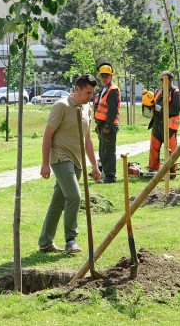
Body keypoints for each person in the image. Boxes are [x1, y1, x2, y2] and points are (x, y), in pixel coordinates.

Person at [38, 74, 102, 254]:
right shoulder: (62, 106)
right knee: (74, 196)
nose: (90, 96)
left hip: (77, 161)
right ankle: (71, 240)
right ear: (77, 89)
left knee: (58, 202)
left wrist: (94, 165)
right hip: (60, 158)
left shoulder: (86, 108)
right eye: (88, 92)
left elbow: (87, 139)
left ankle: (45, 242)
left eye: (92, 93)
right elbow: (48, 134)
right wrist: (45, 163)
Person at [144, 71, 180, 179]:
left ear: (170, 80)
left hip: (169, 126)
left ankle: (172, 173)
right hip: (157, 124)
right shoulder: (159, 91)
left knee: (171, 150)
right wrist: (149, 105)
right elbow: (153, 103)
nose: (161, 82)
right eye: (160, 79)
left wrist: (162, 109)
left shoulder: (175, 92)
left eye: (163, 79)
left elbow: (176, 110)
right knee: (153, 149)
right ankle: (153, 171)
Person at [92, 60, 120, 184]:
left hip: (109, 125)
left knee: (108, 151)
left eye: (106, 76)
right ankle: (104, 173)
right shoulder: (103, 89)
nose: (104, 78)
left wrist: (108, 125)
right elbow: (100, 108)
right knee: (103, 151)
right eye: (102, 76)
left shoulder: (113, 90)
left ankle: (110, 177)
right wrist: (99, 124)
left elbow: (112, 109)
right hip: (103, 125)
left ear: (111, 76)